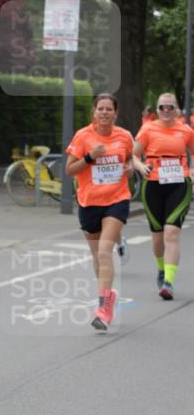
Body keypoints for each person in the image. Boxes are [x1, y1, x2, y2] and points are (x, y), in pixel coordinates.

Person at [65, 93, 135, 331]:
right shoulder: (83, 136)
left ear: (115, 113)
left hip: (117, 199)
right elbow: (70, 170)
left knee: (105, 251)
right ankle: (107, 295)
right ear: (94, 112)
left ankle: (103, 308)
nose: (104, 112)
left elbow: (130, 161)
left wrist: (129, 168)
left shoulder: (124, 136)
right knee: (97, 256)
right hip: (89, 202)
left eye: (109, 109)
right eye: (100, 109)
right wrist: (89, 156)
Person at [133, 92, 194, 299]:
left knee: (171, 232)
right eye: (162, 107)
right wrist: (141, 166)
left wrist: (192, 172)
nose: (166, 111)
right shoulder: (148, 128)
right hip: (153, 185)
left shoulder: (185, 130)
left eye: (170, 107)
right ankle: (161, 269)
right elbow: (133, 155)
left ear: (177, 109)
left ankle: (168, 281)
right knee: (158, 235)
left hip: (179, 184)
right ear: (157, 110)